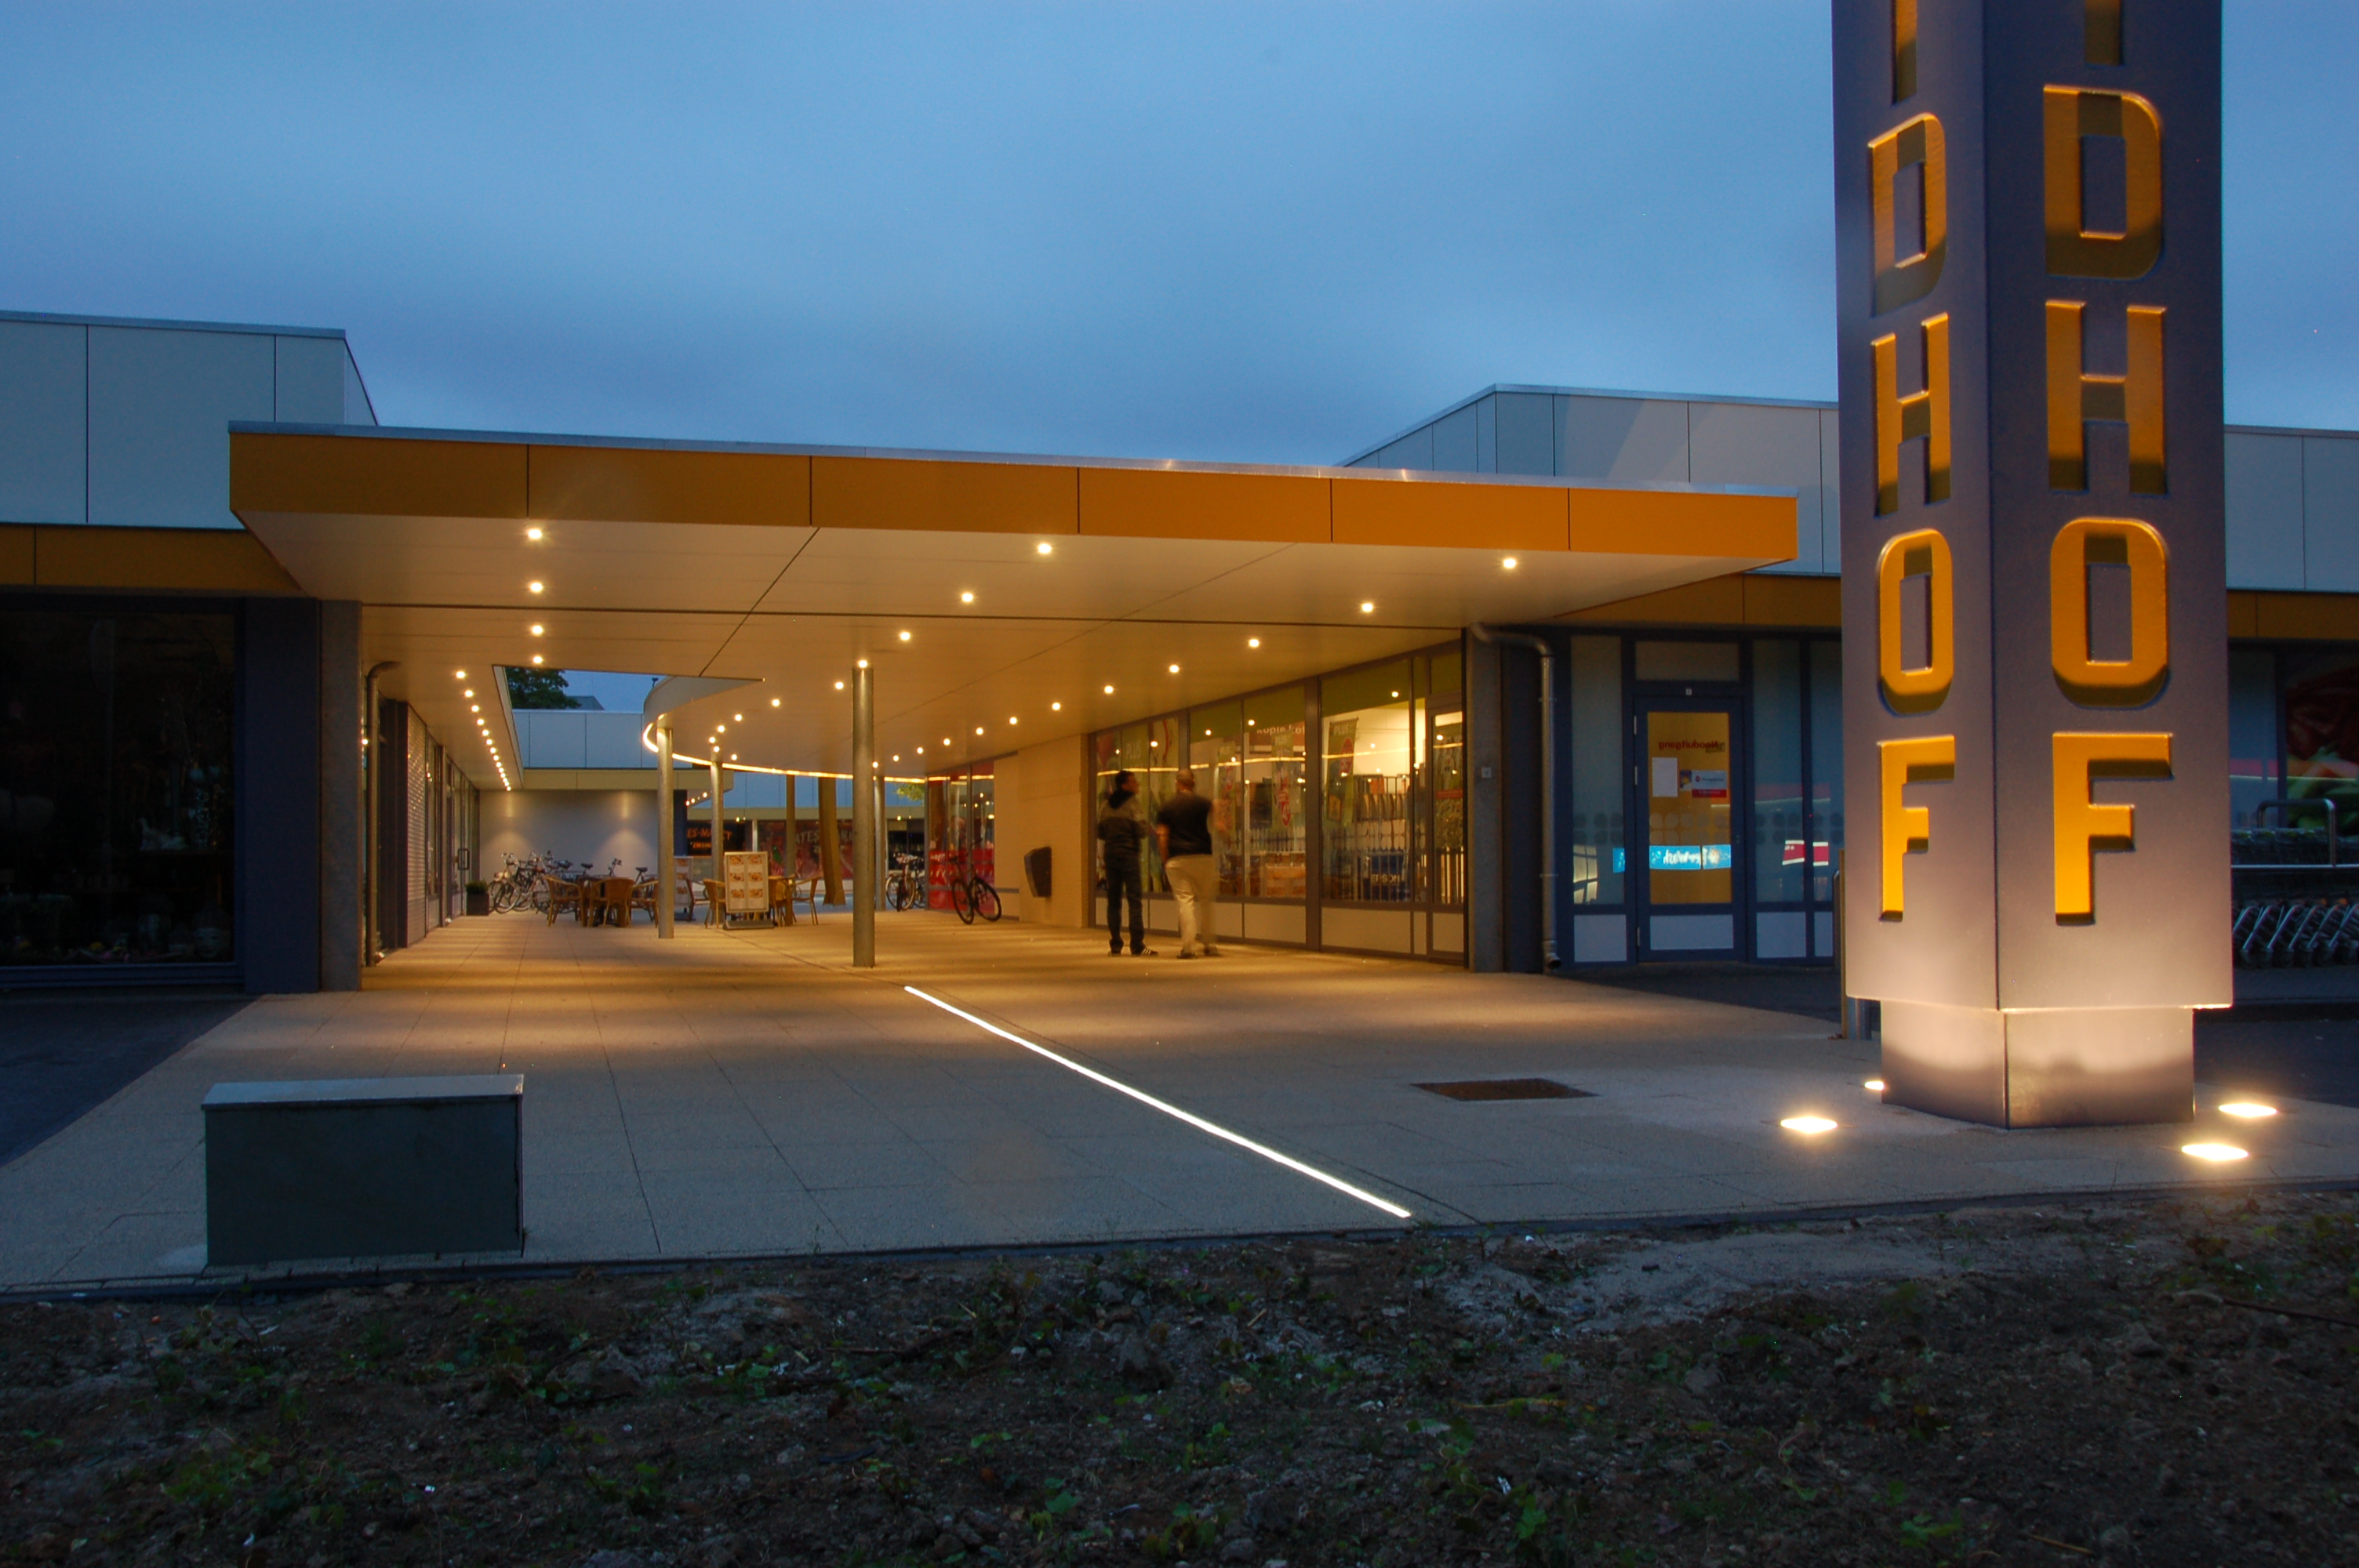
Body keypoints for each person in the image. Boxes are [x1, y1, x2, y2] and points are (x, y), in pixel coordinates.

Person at [1156, 768, 1221, 959]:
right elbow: (1219, 825)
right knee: (1207, 902)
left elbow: (1162, 835)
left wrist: (1165, 859)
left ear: (1177, 783)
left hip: (1178, 859)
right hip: (1203, 856)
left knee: (1186, 902)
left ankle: (1189, 947)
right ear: (1193, 783)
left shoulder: (1167, 807)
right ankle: (1210, 945)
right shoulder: (1204, 804)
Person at [1097, 771, 1151, 956]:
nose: (1137, 784)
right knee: (1134, 900)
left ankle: (1115, 944)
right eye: (1133, 781)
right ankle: (1137, 944)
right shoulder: (1133, 805)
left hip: (1111, 855)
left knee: (1113, 901)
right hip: (1129, 855)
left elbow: (1101, 832)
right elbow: (1142, 830)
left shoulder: (1106, 806)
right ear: (1125, 785)